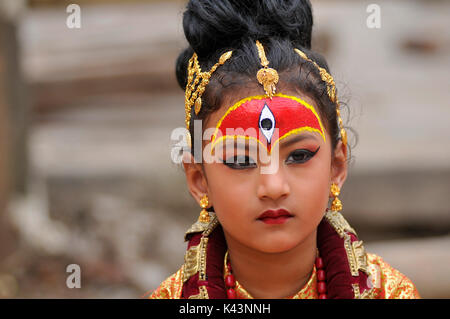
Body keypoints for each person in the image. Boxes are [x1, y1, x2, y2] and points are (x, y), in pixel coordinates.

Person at [148, 0, 420, 299]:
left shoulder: (391, 293)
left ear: (337, 165)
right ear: (199, 180)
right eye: (240, 160)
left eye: (299, 156)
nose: (273, 187)